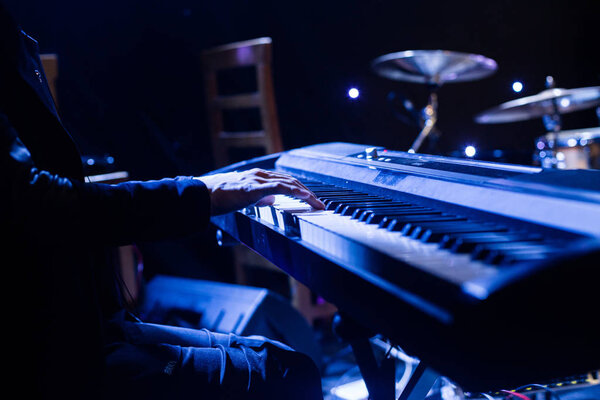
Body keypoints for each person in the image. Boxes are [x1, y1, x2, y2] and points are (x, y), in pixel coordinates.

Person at [0, 3, 325, 399]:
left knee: (279, 358)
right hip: (50, 356)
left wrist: (204, 191)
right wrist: (204, 192)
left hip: (86, 327)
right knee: (286, 374)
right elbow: (44, 206)